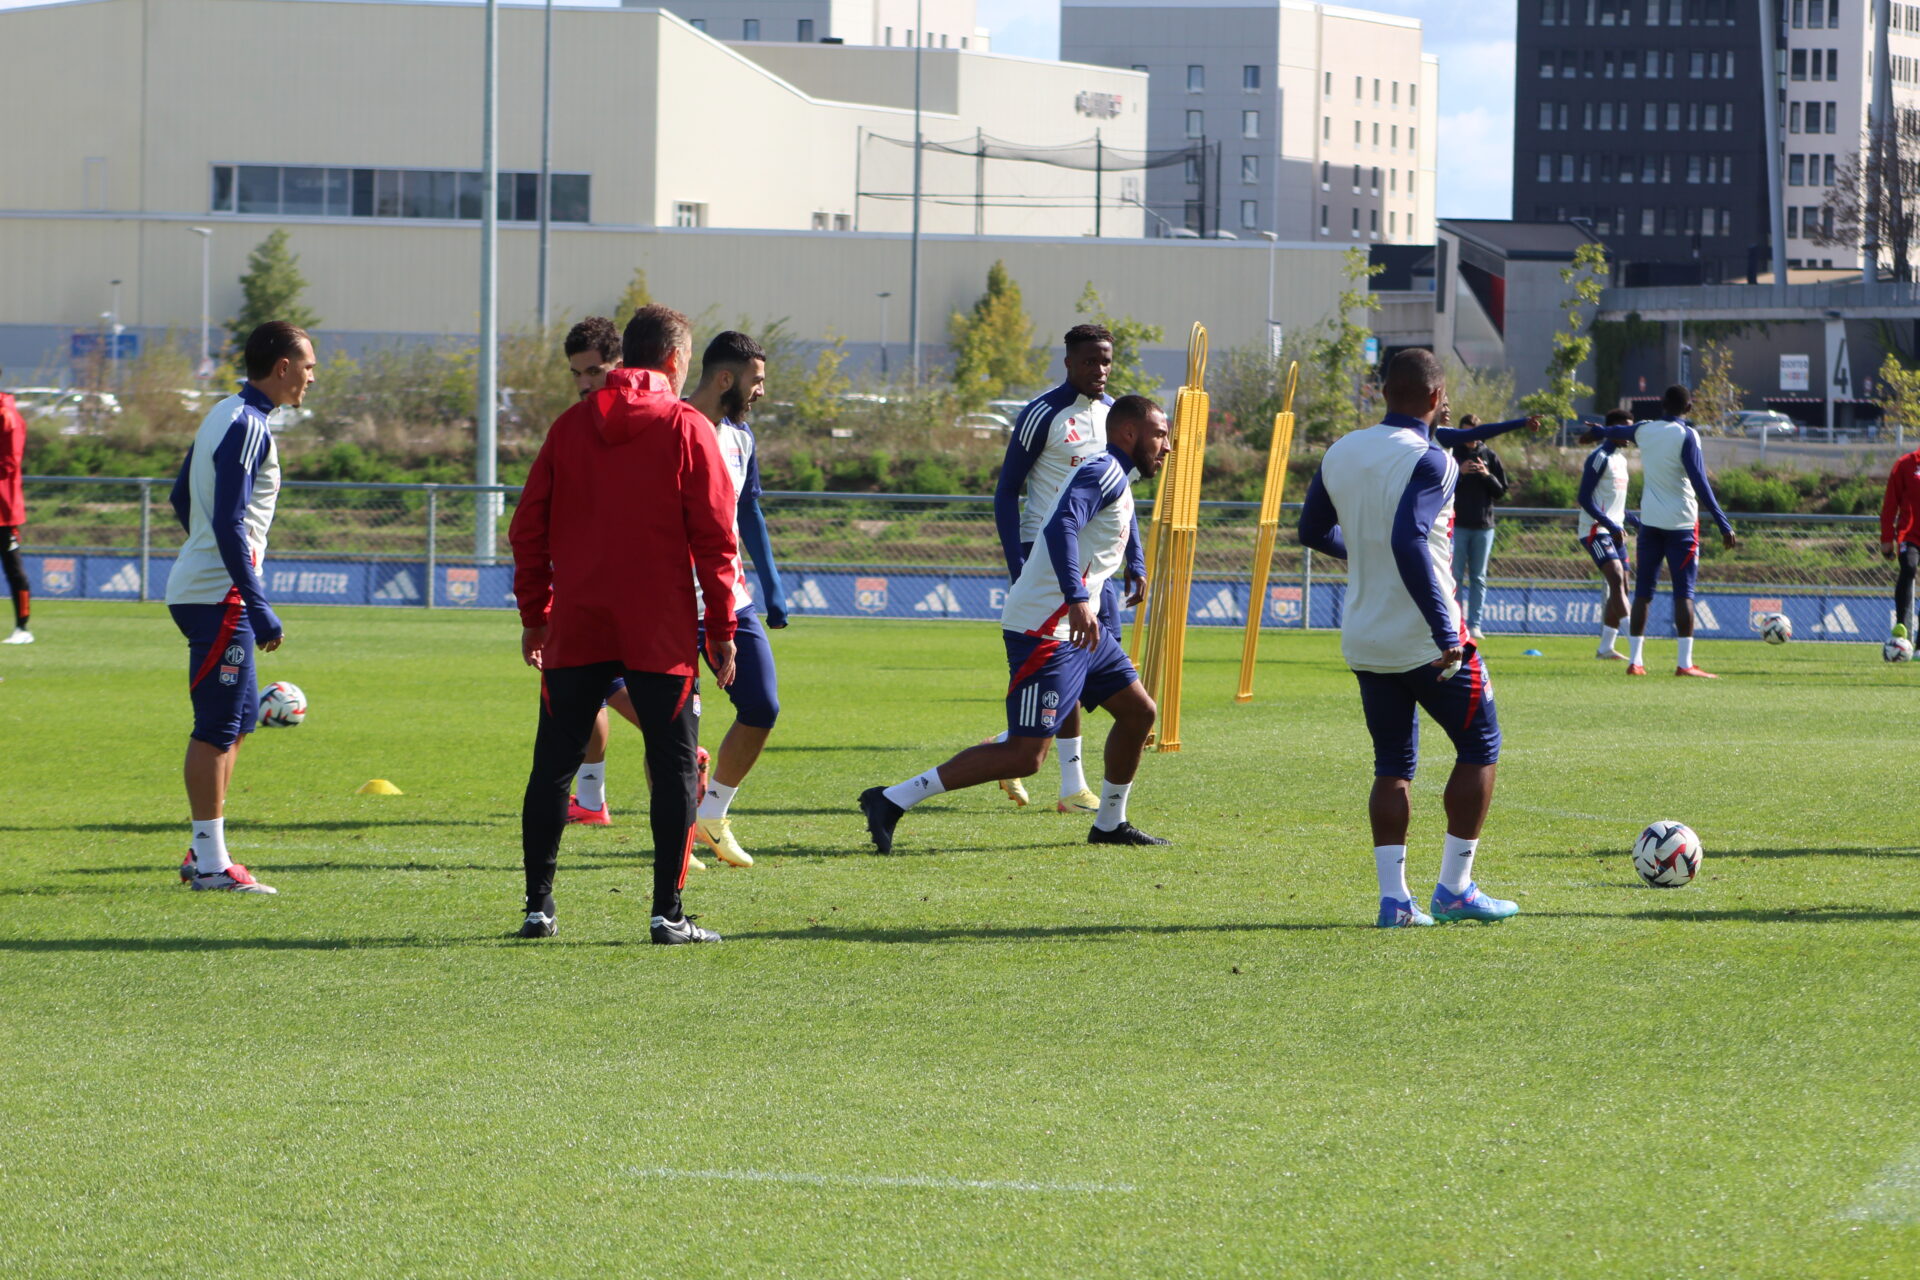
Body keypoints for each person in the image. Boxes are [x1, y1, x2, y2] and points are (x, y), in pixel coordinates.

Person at [510, 304, 739, 944]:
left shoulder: (570, 426)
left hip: (577, 624)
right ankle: (668, 914)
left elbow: (526, 528)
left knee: (553, 763)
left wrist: (537, 616)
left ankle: (538, 908)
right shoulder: (688, 427)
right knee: (670, 767)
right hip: (658, 628)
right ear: (674, 361)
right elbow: (717, 539)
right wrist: (721, 630)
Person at [861, 396, 1170, 853]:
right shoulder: (1102, 470)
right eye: (1161, 434)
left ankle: (1109, 823)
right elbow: (1061, 525)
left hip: (1078, 628)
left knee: (1139, 712)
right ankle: (890, 799)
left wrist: (1127, 569)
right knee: (1026, 756)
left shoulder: (1115, 476)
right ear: (1128, 433)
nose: (1168, 446)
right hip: (1045, 627)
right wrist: (1078, 597)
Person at [1298, 349, 1516, 929]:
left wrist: (1363, 551)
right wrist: (1448, 630)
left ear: (1383, 392)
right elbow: (1409, 539)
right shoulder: (1435, 459)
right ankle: (1455, 889)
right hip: (1428, 641)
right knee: (1481, 746)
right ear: (1435, 396)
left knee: (1392, 764)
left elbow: (1311, 529)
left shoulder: (1342, 449)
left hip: (1366, 637)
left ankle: (1394, 901)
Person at [550, 316, 712, 866]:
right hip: (612, 611)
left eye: (594, 371)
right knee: (604, 712)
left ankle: (546, 900)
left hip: (638, 614)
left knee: (645, 735)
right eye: (577, 373)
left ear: (625, 366)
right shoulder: (575, 426)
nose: (584, 382)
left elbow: (718, 528)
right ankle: (597, 802)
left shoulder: (683, 424)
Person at [166, 322, 317, 894]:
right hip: (219, 596)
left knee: (241, 715)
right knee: (218, 726)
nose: (310, 378)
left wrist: (202, 554)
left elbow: (183, 496)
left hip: (207, 586)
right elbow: (228, 522)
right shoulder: (250, 425)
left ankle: (204, 849)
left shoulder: (222, 413)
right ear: (281, 366)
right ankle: (209, 865)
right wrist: (257, 604)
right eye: (307, 366)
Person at [987, 323, 1143, 813]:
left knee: (1092, 669)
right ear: (1069, 362)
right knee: (1069, 661)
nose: (1100, 370)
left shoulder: (1115, 415)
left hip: (1095, 562)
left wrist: (1136, 557)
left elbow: (1121, 495)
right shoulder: (1043, 413)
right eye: (1090, 360)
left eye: (1106, 361)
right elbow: (1006, 489)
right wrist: (1018, 563)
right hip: (1047, 554)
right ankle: (1069, 785)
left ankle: (1015, 743)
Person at [682, 331, 787, 869]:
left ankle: (712, 814)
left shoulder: (741, 438)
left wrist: (771, 583)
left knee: (762, 705)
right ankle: (676, 831)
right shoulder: (671, 428)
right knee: (676, 723)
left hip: (731, 599)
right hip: (672, 602)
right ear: (727, 379)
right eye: (757, 380)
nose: (762, 391)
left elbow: (748, 512)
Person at [1586, 384, 1737, 677]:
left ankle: (1636, 662)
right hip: (1681, 524)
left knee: (1643, 593)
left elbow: (1618, 432)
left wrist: (1599, 431)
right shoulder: (1687, 435)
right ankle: (1684, 664)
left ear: (1662, 405)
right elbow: (1700, 483)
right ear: (1689, 408)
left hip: (1651, 524)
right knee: (1684, 594)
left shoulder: (1644, 429)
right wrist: (1723, 522)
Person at [1577, 410, 1636, 660]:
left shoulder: (1621, 460)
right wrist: (1609, 525)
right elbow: (1584, 498)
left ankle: (1605, 648)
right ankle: (1636, 644)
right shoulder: (1599, 457)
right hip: (1596, 530)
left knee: (1623, 584)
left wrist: (1638, 524)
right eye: (1623, 428)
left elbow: (1618, 505)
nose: (1628, 434)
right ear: (1611, 429)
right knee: (1616, 576)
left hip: (1615, 532)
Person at [1448, 415, 1508, 641]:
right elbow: (1441, 487)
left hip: (1484, 527)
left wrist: (1486, 475)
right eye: (1466, 432)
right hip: (1458, 525)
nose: (1470, 439)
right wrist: (1459, 473)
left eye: (1474, 432)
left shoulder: (1490, 456)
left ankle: (1475, 625)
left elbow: (1502, 491)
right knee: (1454, 577)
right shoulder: (1452, 454)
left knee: (1478, 577)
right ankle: (1455, 623)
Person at [1878, 438, 1920, 643]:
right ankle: (1901, 625)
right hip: (1910, 535)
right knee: (1909, 567)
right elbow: (1890, 504)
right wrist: (1887, 538)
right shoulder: (1905, 464)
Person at [0, 373, 28, 644]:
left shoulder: (7, 415)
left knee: (13, 568)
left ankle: (23, 628)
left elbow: (10, 463)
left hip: (3, 509)